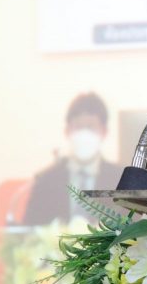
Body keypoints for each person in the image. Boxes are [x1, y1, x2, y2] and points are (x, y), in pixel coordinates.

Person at [22, 92, 122, 225]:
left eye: (90, 127)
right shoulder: (45, 180)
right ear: (67, 131)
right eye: (78, 127)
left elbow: (133, 230)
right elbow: (29, 230)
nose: (84, 134)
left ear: (104, 132)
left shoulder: (121, 181)